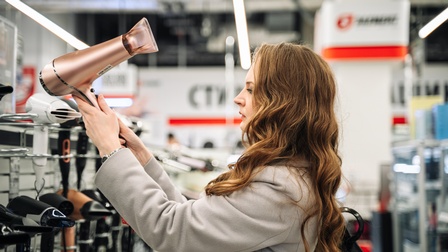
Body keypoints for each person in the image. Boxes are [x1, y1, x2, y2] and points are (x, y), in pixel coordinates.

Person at [74, 42, 345, 252]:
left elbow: (172, 230)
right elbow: (194, 224)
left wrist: (110, 148)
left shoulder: (280, 190)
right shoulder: (288, 178)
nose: (238, 98)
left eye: (250, 89)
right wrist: (142, 158)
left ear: (282, 102)